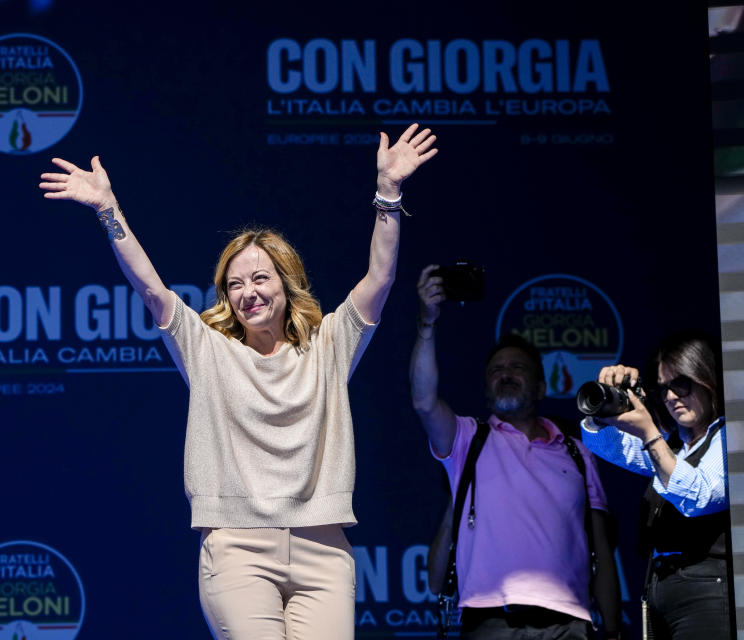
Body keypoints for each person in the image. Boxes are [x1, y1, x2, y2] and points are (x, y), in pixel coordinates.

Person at [38, 124, 438, 640]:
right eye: (235, 283)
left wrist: (388, 193)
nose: (248, 292)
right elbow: (152, 290)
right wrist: (107, 209)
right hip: (237, 552)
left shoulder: (330, 346)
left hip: (324, 551)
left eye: (260, 278)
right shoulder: (208, 351)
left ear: (286, 283)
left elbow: (379, 280)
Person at [410, 265, 620, 640]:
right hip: (491, 620)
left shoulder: (577, 453)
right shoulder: (468, 439)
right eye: (496, 370)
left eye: (517, 368)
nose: (505, 373)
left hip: (570, 623)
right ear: (486, 387)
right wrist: (427, 324)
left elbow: (602, 552)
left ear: (541, 387)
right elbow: (425, 401)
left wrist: (614, 629)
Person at [580, 332, 731, 639]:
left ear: (707, 379)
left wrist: (649, 431)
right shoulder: (672, 444)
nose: (671, 397)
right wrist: (606, 410)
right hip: (661, 592)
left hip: (708, 592)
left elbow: (702, 496)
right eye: (663, 389)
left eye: (681, 384)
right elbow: (608, 447)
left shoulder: (729, 436)